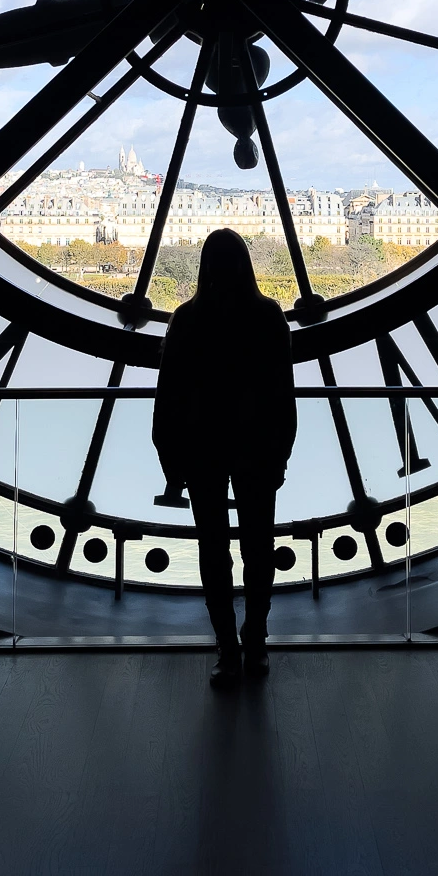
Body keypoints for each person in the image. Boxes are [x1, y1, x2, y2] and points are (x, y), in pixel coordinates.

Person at [152, 228, 296, 687]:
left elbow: (168, 398)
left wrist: (172, 465)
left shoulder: (187, 320)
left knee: (213, 551)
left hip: (203, 450)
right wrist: (280, 454)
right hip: (255, 449)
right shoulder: (268, 317)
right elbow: (282, 397)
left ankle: (228, 648)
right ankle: (255, 639)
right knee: (258, 548)